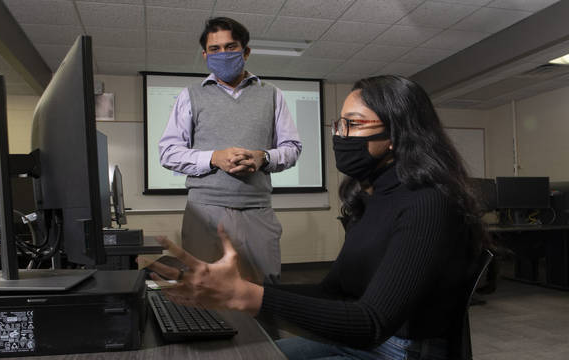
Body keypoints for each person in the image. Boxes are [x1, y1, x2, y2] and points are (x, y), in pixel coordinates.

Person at [148, 75, 491, 360]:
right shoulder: (371, 197)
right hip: (361, 341)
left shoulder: (428, 203)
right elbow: (333, 293)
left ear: (397, 133)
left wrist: (245, 296)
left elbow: (372, 321)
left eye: (353, 125)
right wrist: (244, 287)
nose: (339, 135)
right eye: (339, 124)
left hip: (400, 350)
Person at [158, 17, 302, 284]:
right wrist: (214, 158)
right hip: (204, 212)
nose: (222, 54)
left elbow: (292, 148)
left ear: (245, 52)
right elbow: (168, 152)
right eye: (215, 49)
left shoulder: (272, 94)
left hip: (257, 210)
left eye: (230, 47)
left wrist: (264, 157)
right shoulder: (189, 95)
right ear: (205, 55)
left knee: (262, 289)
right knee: (204, 289)